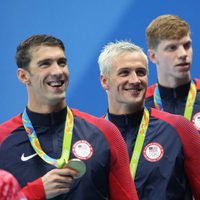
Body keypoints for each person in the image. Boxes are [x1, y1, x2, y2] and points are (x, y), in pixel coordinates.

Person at [0, 34, 138, 200]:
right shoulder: (3, 139)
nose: (58, 71)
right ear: (23, 76)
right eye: (45, 64)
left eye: (62, 63)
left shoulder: (105, 133)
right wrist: (35, 192)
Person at [98, 40, 200, 199]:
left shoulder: (179, 129)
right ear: (104, 81)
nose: (135, 80)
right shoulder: (93, 136)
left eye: (140, 72)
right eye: (124, 73)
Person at [145, 14, 200, 131]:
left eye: (187, 45)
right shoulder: (141, 106)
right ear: (153, 56)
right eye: (172, 48)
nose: (183, 54)